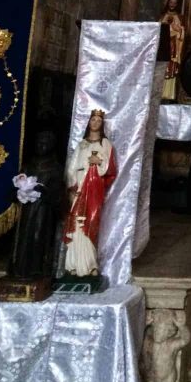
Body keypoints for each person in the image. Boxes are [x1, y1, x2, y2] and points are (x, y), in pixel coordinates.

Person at [63, 109, 116, 278]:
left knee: (90, 222)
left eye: (98, 121)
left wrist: (98, 161)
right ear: (88, 122)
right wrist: (72, 187)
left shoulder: (105, 144)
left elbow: (110, 167)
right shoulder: (82, 144)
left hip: (93, 188)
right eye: (92, 120)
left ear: (102, 125)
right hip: (78, 186)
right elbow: (71, 167)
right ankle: (73, 265)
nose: (95, 123)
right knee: (76, 222)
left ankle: (90, 265)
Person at [7, 125, 63, 281]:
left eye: (45, 142)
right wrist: (16, 191)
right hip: (26, 210)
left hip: (42, 212)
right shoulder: (28, 166)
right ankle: (19, 270)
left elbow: (57, 195)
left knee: (39, 238)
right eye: (39, 142)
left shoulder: (55, 168)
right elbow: (15, 186)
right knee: (23, 239)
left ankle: (38, 271)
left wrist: (45, 192)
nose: (41, 145)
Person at [160, 0, 186, 102]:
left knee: (172, 68)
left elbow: (182, 32)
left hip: (174, 47)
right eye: (171, 2)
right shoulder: (162, 16)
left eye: (175, 3)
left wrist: (178, 30)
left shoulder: (180, 17)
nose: (172, 5)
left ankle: (169, 95)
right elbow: (158, 29)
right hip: (163, 47)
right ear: (168, 3)